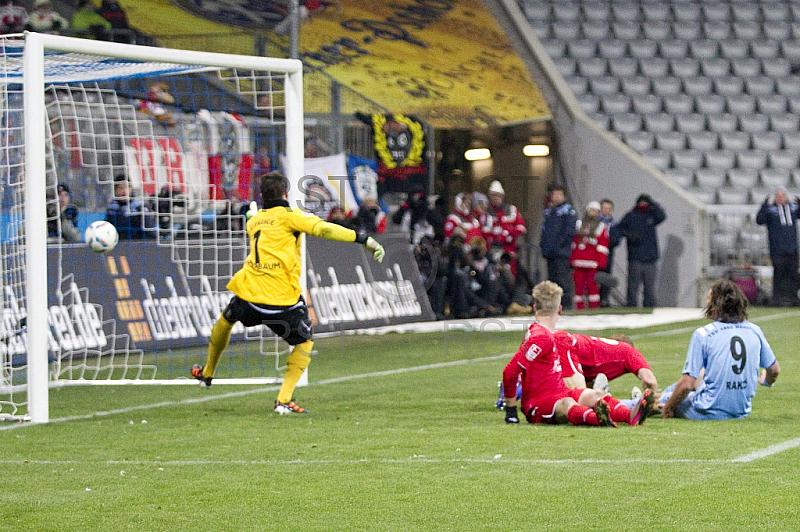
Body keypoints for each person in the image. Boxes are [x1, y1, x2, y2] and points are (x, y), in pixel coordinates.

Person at [191, 171, 385, 414]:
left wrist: (252, 214)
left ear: (262, 196)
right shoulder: (292, 216)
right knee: (304, 342)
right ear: (285, 193)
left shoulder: (255, 221)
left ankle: (208, 372)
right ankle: (283, 400)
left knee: (227, 318)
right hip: (280, 299)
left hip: (249, 294)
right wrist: (363, 239)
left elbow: (256, 220)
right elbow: (325, 230)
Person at [500, 281, 654, 427]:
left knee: (596, 394)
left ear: (534, 308)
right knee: (568, 404)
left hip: (560, 391)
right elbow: (510, 371)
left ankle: (630, 415)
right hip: (540, 401)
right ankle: (597, 418)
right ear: (559, 309)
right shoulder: (541, 337)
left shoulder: (544, 334)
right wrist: (511, 412)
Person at [660, 279, 780, 420]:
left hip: (708, 411)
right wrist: (767, 381)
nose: (706, 303)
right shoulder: (755, 330)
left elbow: (687, 384)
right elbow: (774, 370)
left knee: (665, 399)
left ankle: (634, 403)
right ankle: (651, 395)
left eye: (708, 298)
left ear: (716, 304)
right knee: (701, 375)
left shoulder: (704, 334)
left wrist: (668, 408)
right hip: (741, 411)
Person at [553, 331, 658, 396]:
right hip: (566, 343)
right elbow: (650, 381)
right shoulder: (628, 350)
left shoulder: (599, 349)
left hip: (560, 339)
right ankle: (634, 403)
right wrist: (651, 399)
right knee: (579, 401)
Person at [610, 194, 666, 308]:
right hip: (635, 257)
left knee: (649, 287)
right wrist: (629, 235)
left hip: (650, 258)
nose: (643, 205)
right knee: (633, 286)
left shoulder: (652, 215)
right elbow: (618, 229)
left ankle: (649, 306)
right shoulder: (630, 216)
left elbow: (662, 216)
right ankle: (631, 306)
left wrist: (653, 204)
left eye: (646, 203)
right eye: (641, 202)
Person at [756, 187, 800, 306]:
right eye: (778, 196)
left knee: (793, 275)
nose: (780, 198)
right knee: (779, 275)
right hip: (777, 249)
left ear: (786, 197)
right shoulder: (771, 210)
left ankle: (793, 299)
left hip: (792, 249)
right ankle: (778, 299)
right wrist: (764, 205)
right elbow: (759, 220)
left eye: (782, 196)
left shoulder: (793, 209)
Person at [539, 186, 576, 309]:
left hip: (561, 252)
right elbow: (544, 231)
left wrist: (558, 245)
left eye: (559, 194)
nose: (556, 197)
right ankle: (555, 305)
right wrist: (544, 246)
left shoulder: (568, 211)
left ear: (564, 196)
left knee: (563, 279)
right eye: (554, 194)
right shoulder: (549, 212)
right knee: (552, 280)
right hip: (550, 253)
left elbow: (569, 232)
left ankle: (566, 304)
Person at [570, 201, 609, 310]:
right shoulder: (579, 225)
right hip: (578, 262)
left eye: (595, 211)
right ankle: (579, 308)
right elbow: (574, 244)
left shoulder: (601, 227)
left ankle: (594, 308)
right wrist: (572, 259)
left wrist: (601, 263)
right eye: (591, 210)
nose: (592, 213)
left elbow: (603, 247)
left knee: (592, 287)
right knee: (578, 287)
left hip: (592, 263)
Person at [105, 175, 158, 240]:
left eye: (127, 187)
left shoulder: (140, 207)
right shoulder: (112, 209)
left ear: (131, 189)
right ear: (115, 190)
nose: (124, 191)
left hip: (138, 246)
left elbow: (151, 234)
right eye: (121, 188)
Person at [486, 180, 527, 260]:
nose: (495, 198)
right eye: (493, 195)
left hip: (509, 250)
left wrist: (509, 234)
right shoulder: (486, 213)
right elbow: (484, 231)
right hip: (491, 250)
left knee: (509, 272)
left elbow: (521, 227)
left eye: (498, 195)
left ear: (502, 196)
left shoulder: (512, 210)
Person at [598, 199, 616, 307]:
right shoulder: (594, 222)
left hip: (608, 254)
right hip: (594, 254)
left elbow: (616, 238)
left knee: (606, 277)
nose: (606, 211)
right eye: (604, 208)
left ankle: (604, 299)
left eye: (608, 209)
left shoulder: (613, 224)